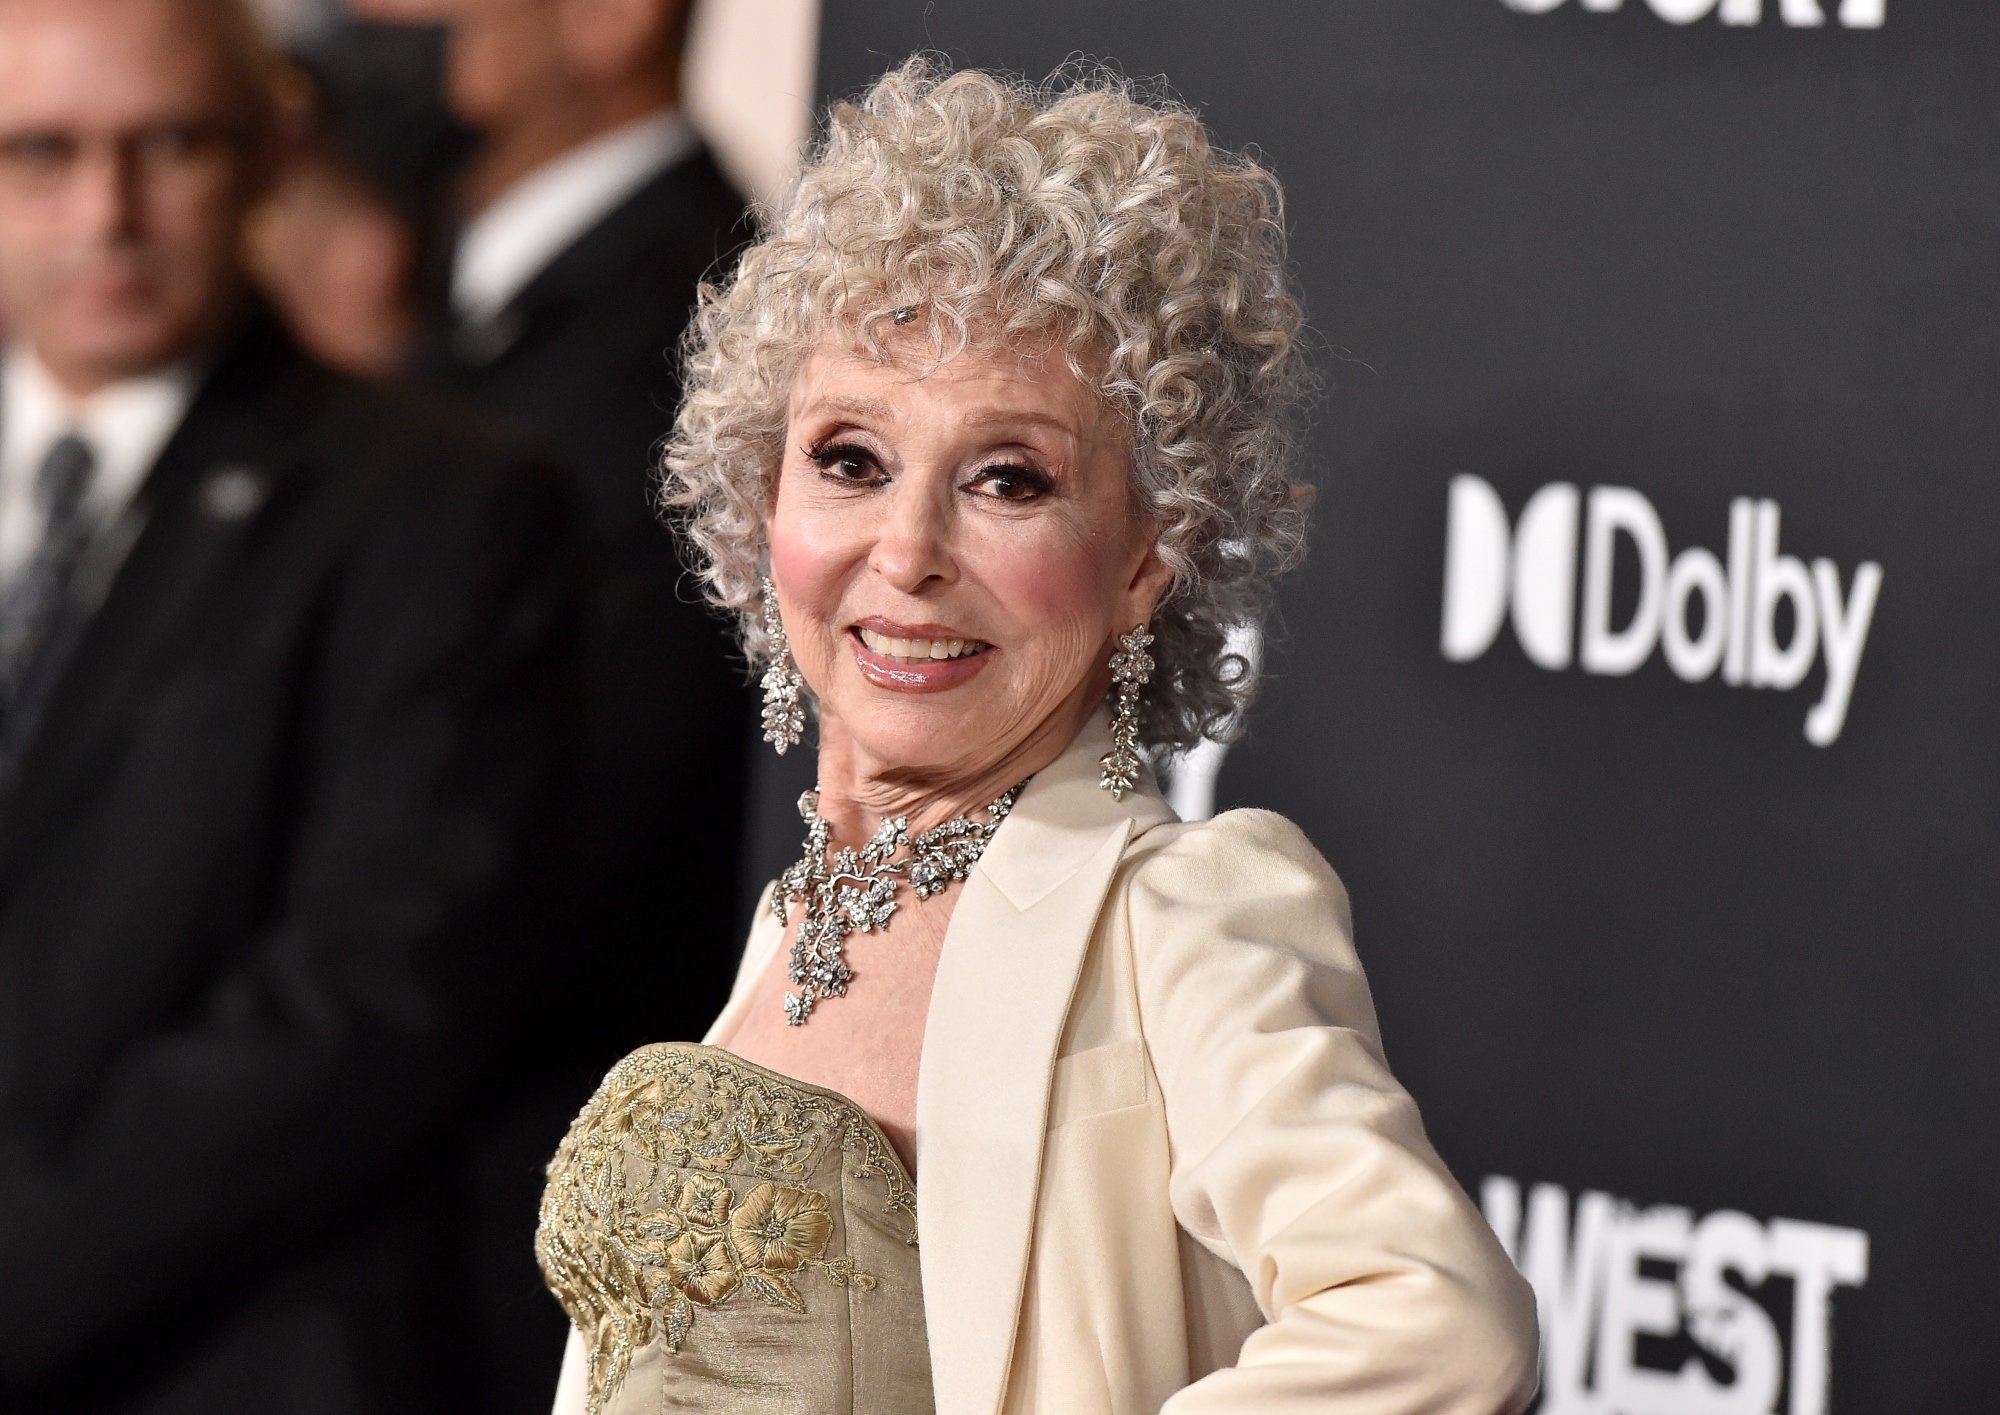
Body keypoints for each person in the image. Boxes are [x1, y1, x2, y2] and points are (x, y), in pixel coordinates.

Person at [534, 59, 1541, 1415]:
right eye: (849, 459)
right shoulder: (797, 922)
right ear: (758, 491)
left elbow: (1437, 1325)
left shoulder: (1173, 915)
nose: (907, 553)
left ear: (1146, 556)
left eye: (1008, 479)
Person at [0, 1, 581, 1411]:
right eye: (40, 152)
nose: (109, 211)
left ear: (270, 151)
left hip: (220, 1358)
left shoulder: (448, 508)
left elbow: (369, 1005)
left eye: (172, 145)